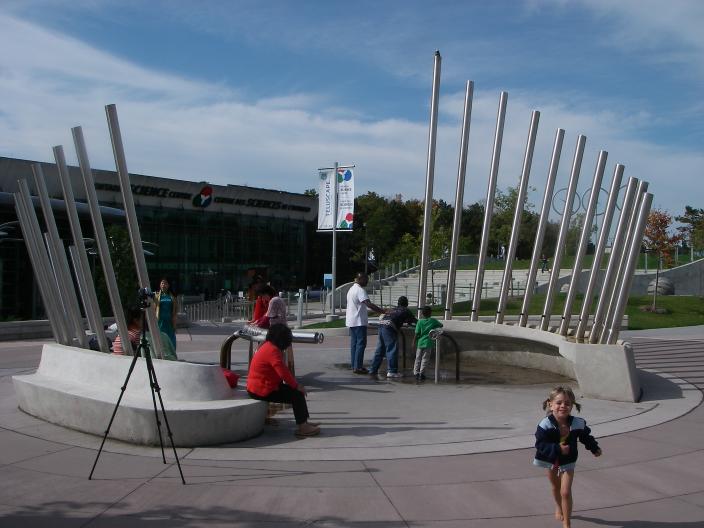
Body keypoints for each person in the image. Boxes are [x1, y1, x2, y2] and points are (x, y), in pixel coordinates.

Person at [533, 386, 602, 528]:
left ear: (572, 405)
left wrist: (594, 448)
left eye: (567, 403)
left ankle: (567, 523)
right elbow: (540, 444)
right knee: (555, 487)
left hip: (568, 459)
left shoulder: (577, 423)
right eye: (559, 403)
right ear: (550, 404)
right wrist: (558, 448)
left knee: (565, 492)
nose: (563, 406)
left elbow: (585, 437)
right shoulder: (545, 424)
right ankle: (558, 507)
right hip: (550, 459)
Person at [246, 324, 320, 438]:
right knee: (297, 394)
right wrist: (296, 386)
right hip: (261, 390)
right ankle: (303, 427)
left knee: (293, 391)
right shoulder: (273, 350)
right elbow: (283, 372)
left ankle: (304, 422)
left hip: (258, 387)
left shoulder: (267, 345)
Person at [345, 272, 386, 374]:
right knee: (361, 344)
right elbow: (368, 304)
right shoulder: (360, 290)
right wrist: (383, 311)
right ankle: (358, 367)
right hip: (359, 321)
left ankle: (354, 365)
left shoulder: (351, 289)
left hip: (351, 321)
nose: (367, 281)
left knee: (354, 344)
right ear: (360, 279)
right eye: (366, 279)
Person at [369, 296, 417, 379]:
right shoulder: (405, 310)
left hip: (381, 325)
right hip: (389, 327)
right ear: (406, 303)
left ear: (398, 303)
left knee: (380, 350)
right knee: (392, 349)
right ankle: (392, 371)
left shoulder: (393, 309)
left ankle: (373, 369)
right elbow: (415, 321)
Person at [113, 306, 178, 361]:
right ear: (136, 320)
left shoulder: (123, 334)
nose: (145, 321)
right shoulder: (137, 335)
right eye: (143, 319)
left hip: (120, 362)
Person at [412, 306, 443, 381]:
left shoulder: (419, 322)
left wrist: (413, 342)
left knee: (418, 358)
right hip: (428, 343)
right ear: (430, 313)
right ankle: (422, 373)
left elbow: (417, 333)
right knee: (425, 358)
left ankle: (416, 372)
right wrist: (434, 327)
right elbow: (441, 325)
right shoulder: (433, 321)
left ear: (422, 313)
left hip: (420, 342)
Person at [154, 278, 177, 350]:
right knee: (161, 339)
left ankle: (172, 353)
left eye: (165, 283)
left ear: (168, 285)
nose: (164, 285)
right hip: (160, 321)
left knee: (171, 339)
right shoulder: (156, 296)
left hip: (169, 322)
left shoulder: (172, 296)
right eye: (162, 283)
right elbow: (154, 308)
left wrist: (174, 320)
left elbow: (175, 310)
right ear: (160, 285)